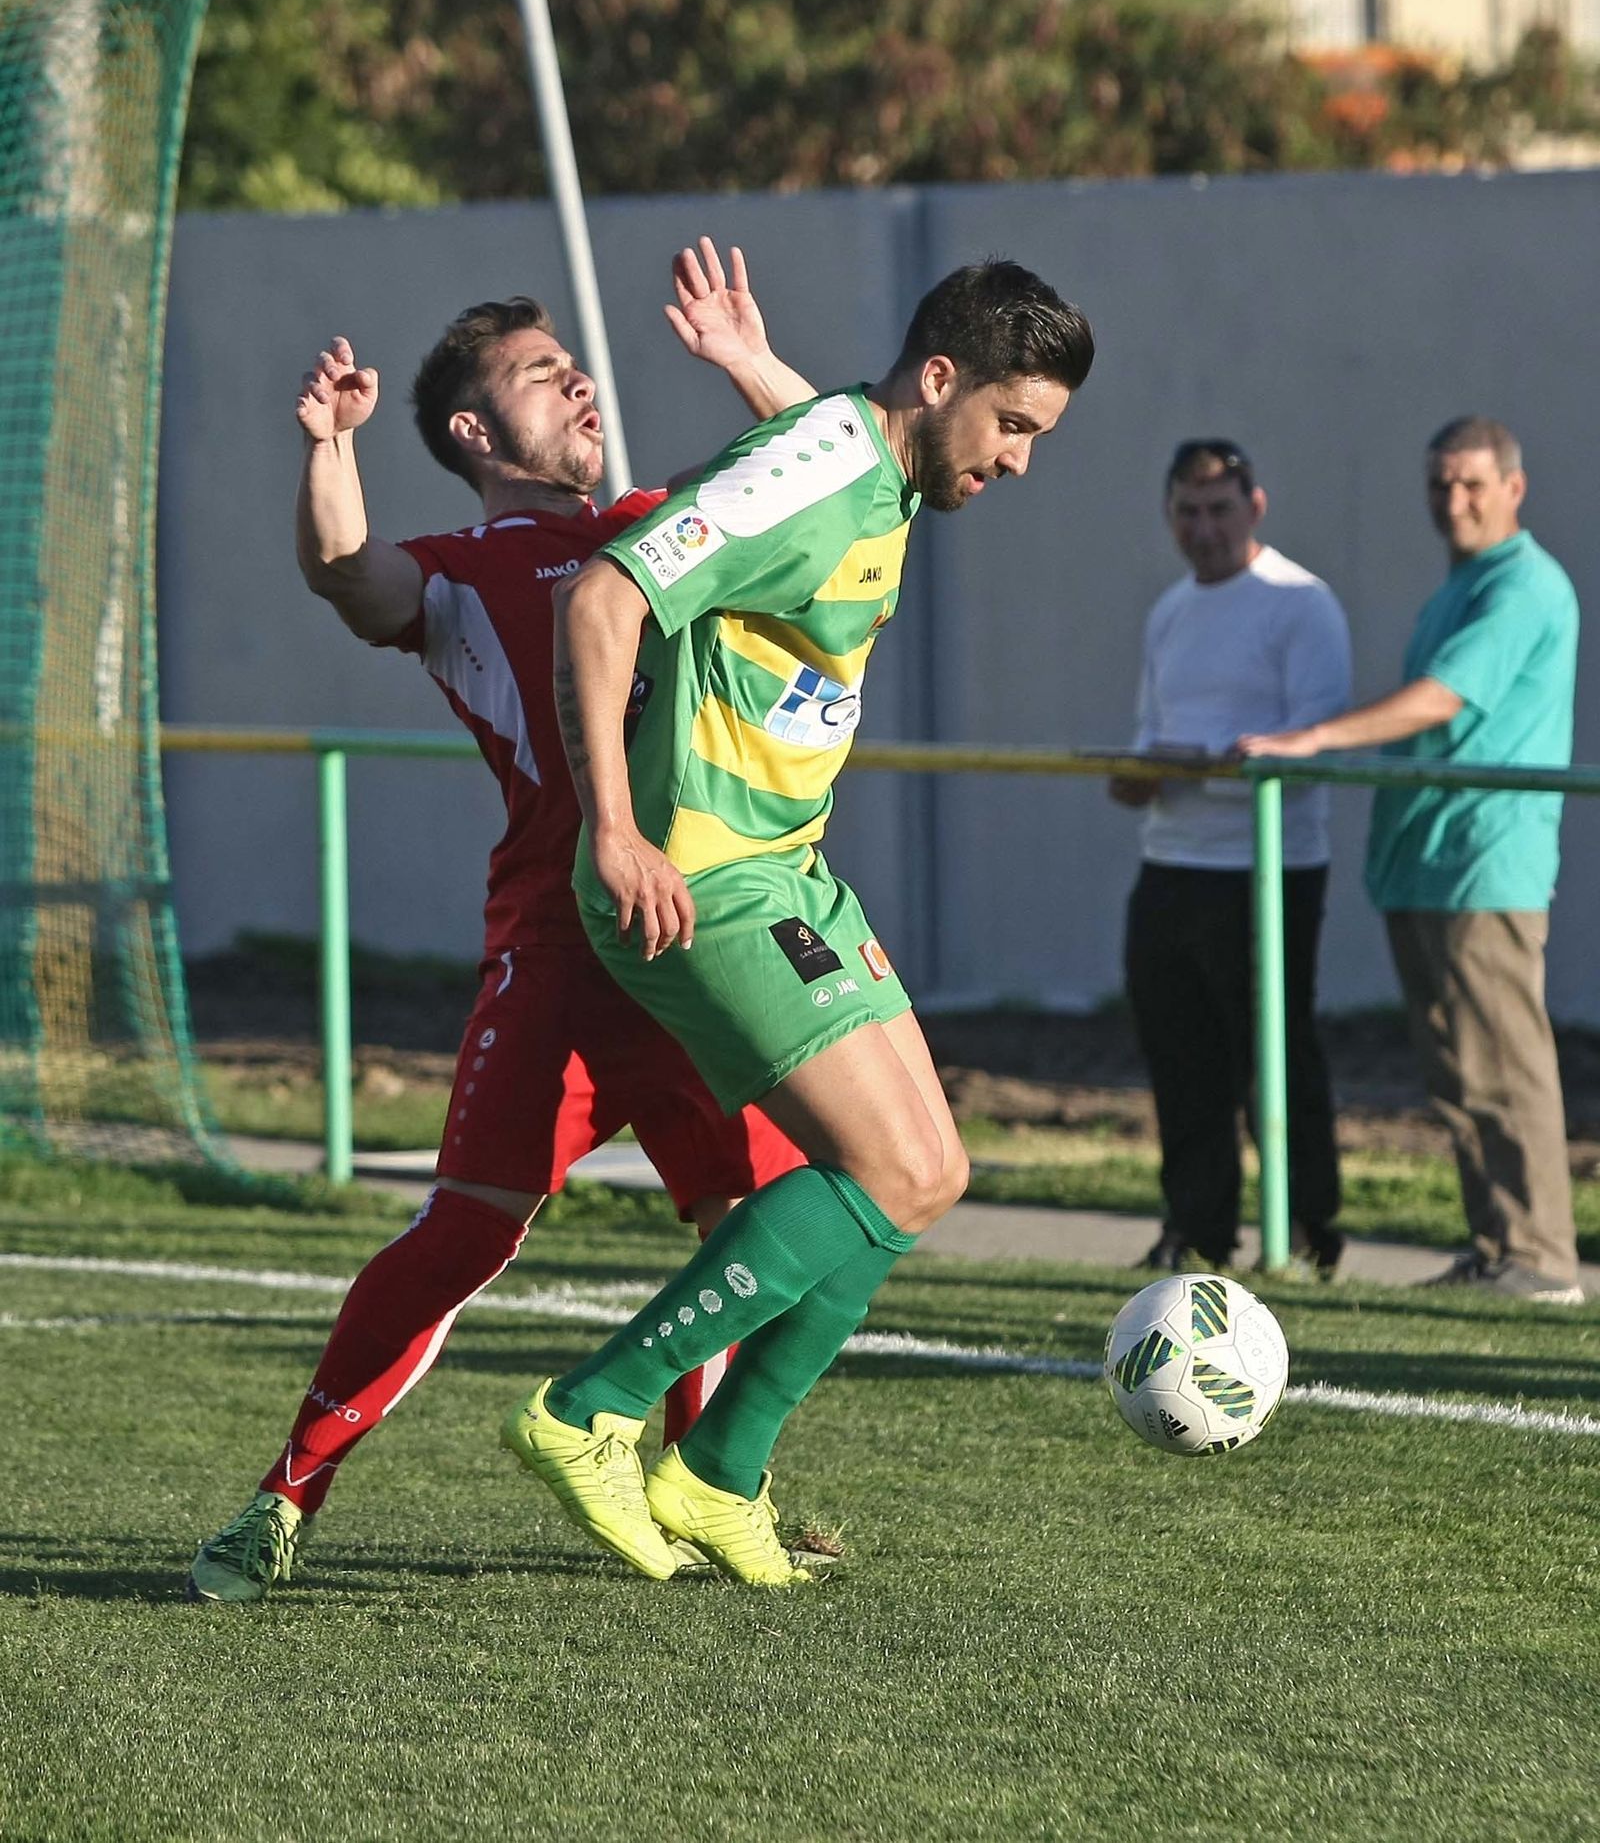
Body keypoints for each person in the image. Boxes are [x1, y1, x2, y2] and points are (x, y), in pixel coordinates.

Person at [188, 241, 824, 1605]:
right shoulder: (465, 571)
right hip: (562, 959)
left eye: (576, 365)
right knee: (466, 1233)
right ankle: (282, 1498)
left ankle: (710, 1485)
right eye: (545, 374)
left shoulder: (661, 524)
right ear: (478, 430)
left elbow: (831, 478)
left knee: (764, 1216)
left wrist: (746, 362)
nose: (580, 382)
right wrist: (328, 446)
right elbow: (347, 573)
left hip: (698, 948)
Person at [501, 260, 1095, 1587]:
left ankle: (715, 1472)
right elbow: (602, 596)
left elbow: (841, 447)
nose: (1018, 462)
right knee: (885, 1171)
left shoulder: (874, 451)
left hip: (787, 868)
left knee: (927, 1172)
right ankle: (591, 1408)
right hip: (703, 874)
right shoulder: (832, 466)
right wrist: (615, 827)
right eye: (1015, 426)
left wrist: (755, 371)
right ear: (941, 381)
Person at [1241, 416, 1582, 1305]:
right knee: (1460, 1069)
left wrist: (1311, 740)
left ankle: (1541, 1258)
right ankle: (1497, 1247)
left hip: (1484, 864)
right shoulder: (1461, 586)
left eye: (1471, 483)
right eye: (1440, 484)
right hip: (1427, 860)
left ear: (1515, 486)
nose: (1453, 501)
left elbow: (1439, 700)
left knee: (1504, 1064)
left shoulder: (1525, 586)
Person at [1112, 439, 1352, 1277]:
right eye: (1187, 510)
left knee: (1275, 1055)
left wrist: (1196, 765)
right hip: (1170, 865)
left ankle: (1311, 1231)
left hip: (1268, 868)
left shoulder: (1300, 603)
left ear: (1255, 506)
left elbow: (1310, 749)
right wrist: (1143, 776)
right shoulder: (1170, 610)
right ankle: (1197, 1231)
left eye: (1219, 508)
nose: (1203, 528)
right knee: (1180, 1059)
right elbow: (1148, 745)